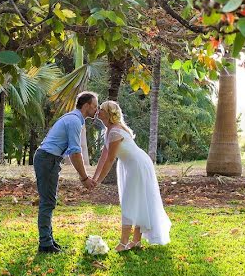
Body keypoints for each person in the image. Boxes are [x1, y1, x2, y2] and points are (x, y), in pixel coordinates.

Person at [91, 100, 171, 252]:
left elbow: (110, 160)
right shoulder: (109, 130)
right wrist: (94, 178)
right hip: (134, 164)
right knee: (138, 199)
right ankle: (136, 241)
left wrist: (99, 181)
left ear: (108, 114)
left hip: (137, 165)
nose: (97, 111)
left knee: (130, 201)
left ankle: (123, 243)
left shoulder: (115, 131)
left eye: (100, 109)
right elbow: (103, 156)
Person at [34, 91, 99, 253]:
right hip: (47, 159)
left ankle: (48, 240)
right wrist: (84, 178)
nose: (97, 110)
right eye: (95, 106)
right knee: (47, 202)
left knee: (49, 200)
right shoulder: (74, 121)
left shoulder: (73, 118)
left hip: (49, 159)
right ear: (86, 106)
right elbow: (75, 153)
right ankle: (45, 243)